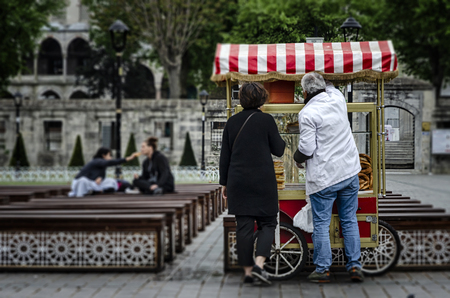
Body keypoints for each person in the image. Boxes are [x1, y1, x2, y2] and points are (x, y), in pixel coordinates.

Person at [295, 72, 363, 283]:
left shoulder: (307, 113)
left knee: (322, 224)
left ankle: (323, 269)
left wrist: (297, 159)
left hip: (325, 178)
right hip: (349, 172)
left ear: (304, 92)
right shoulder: (338, 98)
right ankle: (354, 267)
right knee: (349, 220)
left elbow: (306, 148)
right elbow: (330, 86)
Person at [220, 82, 285, 286]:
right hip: (262, 180)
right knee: (268, 223)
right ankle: (259, 264)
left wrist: (224, 184)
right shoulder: (266, 120)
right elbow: (279, 150)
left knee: (244, 227)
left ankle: (248, 272)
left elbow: (224, 156)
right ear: (262, 98)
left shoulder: (231, 122)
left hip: (238, 180)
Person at [69, 147, 139, 197]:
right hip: (80, 183)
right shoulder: (98, 161)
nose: (110, 158)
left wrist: (100, 178)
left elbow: (100, 175)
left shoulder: (101, 164)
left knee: (111, 181)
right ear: (103, 155)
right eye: (109, 155)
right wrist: (128, 158)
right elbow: (112, 162)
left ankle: (128, 187)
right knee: (83, 181)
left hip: (91, 183)